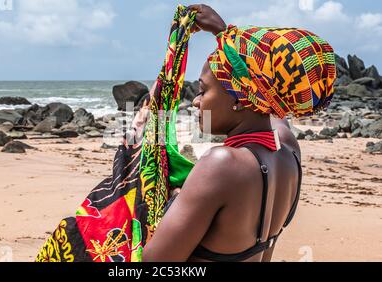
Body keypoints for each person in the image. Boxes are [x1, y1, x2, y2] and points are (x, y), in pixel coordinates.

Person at [142, 4, 336, 262]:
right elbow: (271, 96)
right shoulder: (288, 150)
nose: (196, 102)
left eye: (203, 90)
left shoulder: (222, 165)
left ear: (241, 99)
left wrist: (172, 199)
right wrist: (224, 35)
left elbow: (153, 262)